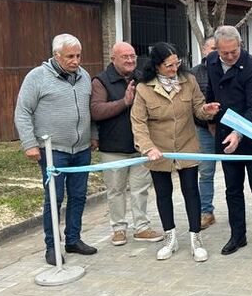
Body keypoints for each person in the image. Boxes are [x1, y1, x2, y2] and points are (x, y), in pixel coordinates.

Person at [130, 42, 220, 261]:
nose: (174, 69)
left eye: (176, 63)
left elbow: (198, 108)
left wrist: (206, 110)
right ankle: (170, 238)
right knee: (163, 193)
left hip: (186, 145)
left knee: (191, 190)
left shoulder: (188, 80)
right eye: (168, 65)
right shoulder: (144, 88)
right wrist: (148, 147)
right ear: (157, 66)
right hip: (158, 150)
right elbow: (138, 122)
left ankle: (195, 238)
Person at [14, 33, 98, 266]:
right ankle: (52, 247)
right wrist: (29, 144)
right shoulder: (37, 77)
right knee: (54, 197)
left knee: (79, 195)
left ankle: (73, 239)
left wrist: (93, 134)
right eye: (70, 56)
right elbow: (22, 111)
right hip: (53, 151)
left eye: (78, 56)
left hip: (81, 149)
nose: (75, 61)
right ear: (56, 55)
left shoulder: (84, 76)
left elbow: (89, 109)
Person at [204, 25, 252, 257]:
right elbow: (211, 91)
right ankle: (237, 235)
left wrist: (238, 132)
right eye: (225, 53)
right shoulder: (211, 62)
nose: (230, 56)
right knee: (232, 189)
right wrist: (210, 118)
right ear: (216, 49)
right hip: (226, 135)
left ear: (240, 46)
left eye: (234, 51)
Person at [91, 42, 164, 247]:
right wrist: (124, 102)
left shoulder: (141, 78)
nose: (131, 60)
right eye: (125, 57)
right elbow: (96, 111)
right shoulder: (101, 81)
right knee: (116, 190)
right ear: (113, 59)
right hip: (113, 147)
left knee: (140, 189)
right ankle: (118, 229)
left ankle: (142, 227)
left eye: (133, 56)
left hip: (140, 146)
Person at [191, 36, 218, 229]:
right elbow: (191, 106)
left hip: (228, 130)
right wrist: (208, 123)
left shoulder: (227, 70)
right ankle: (206, 211)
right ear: (204, 49)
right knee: (206, 172)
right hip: (204, 131)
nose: (215, 52)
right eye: (213, 48)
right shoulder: (193, 75)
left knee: (235, 173)